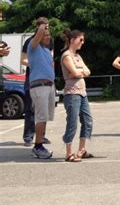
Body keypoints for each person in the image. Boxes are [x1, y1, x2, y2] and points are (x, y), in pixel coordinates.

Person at [60, 29, 93, 161]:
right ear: (72, 40)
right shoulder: (66, 55)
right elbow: (77, 73)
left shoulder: (78, 57)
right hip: (72, 93)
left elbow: (87, 71)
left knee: (87, 121)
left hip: (82, 93)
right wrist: (79, 71)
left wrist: (78, 71)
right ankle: (69, 153)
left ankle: (81, 150)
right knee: (72, 123)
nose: (82, 42)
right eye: (81, 39)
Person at [21, 17, 53, 147]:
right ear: (39, 27)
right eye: (45, 27)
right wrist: (36, 64)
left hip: (46, 82)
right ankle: (29, 136)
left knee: (43, 112)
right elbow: (23, 60)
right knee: (30, 109)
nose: (47, 29)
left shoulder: (48, 43)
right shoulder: (31, 42)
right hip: (34, 79)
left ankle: (41, 136)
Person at [27, 19, 56, 159]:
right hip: (39, 87)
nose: (48, 36)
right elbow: (38, 35)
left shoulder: (46, 50)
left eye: (49, 34)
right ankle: (37, 147)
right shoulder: (34, 46)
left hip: (48, 87)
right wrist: (44, 24)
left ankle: (40, 142)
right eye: (45, 34)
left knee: (44, 117)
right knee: (41, 117)